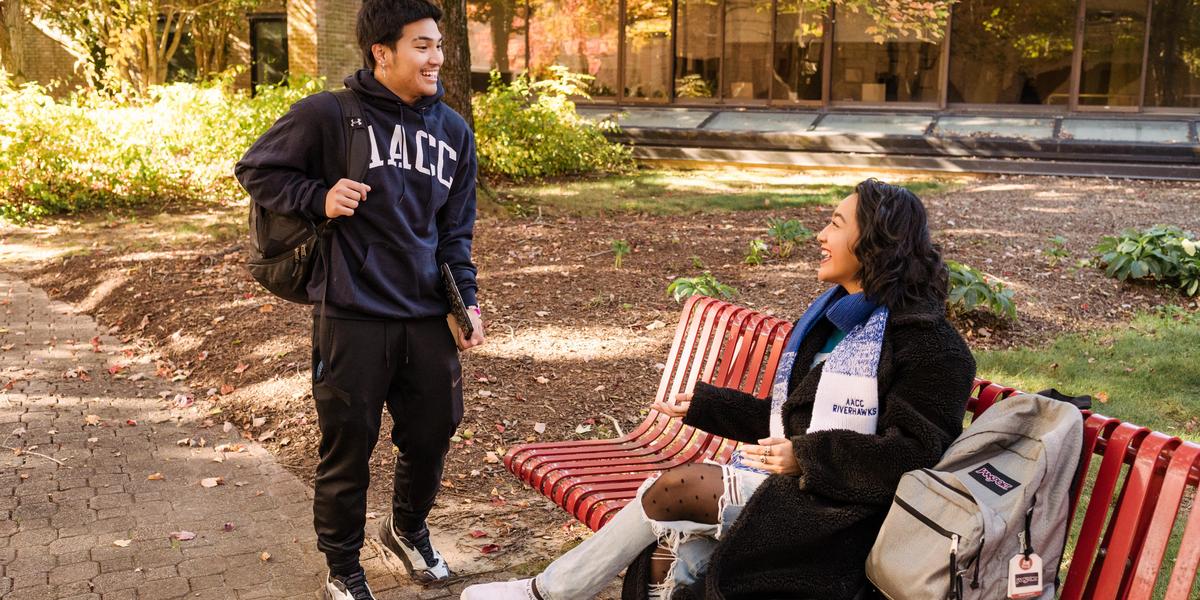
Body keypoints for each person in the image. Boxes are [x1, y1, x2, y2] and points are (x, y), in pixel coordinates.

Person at [460, 179, 975, 600]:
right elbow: (790, 419)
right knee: (681, 559)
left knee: (674, 491)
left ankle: (546, 594)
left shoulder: (930, 344)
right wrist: (711, 406)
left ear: (875, 243)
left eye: (836, 225)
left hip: (841, 515)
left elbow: (916, 455)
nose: (820, 235)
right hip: (798, 490)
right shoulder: (832, 322)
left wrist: (807, 457)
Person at [234, 0, 484, 597]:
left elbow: (455, 232)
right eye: (421, 45)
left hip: (426, 313)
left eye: (439, 45)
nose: (436, 58)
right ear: (382, 52)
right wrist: (317, 197)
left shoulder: (452, 130)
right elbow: (257, 169)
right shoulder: (329, 114)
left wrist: (466, 301)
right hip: (352, 312)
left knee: (433, 433)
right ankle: (344, 567)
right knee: (348, 444)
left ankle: (405, 528)